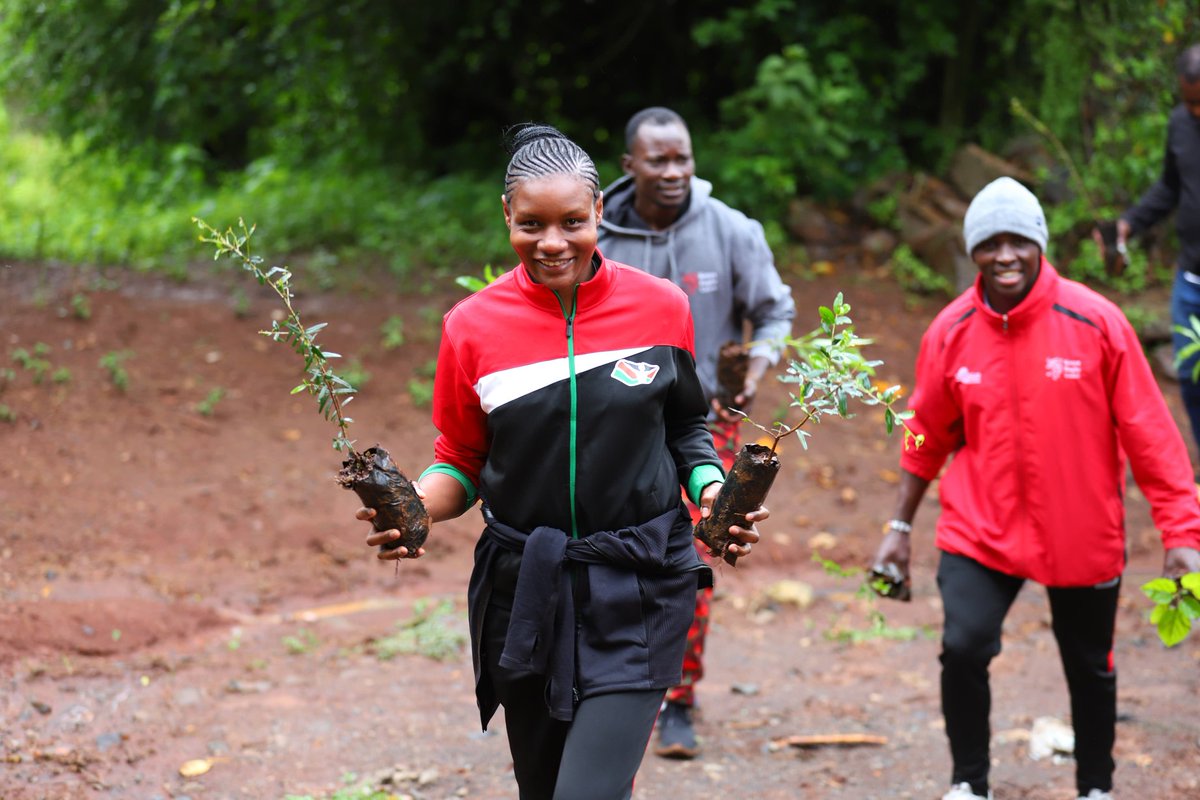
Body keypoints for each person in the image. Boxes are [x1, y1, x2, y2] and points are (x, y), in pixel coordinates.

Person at [357, 123, 765, 800]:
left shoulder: (661, 307)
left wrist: (716, 490)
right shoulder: (472, 327)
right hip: (528, 590)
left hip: (639, 580)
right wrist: (415, 509)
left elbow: (686, 427)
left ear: (601, 212)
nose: (552, 243)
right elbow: (459, 458)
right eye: (531, 225)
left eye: (573, 222)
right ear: (506, 217)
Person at [871, 177, 1200, 800]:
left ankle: (1095, 788)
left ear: (1040, 244)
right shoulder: (950, 330)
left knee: (1089, 666)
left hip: (1079, 529)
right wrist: (899, 528)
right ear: (972, 251)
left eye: (1017, 241)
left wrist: (1182, 533)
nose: (1004, 256)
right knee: (963, 647)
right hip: (981, 524)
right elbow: (923, 435)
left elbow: (1152, 438)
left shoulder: (1096, 321)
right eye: (989, 243)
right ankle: (970, 784)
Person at [597, 106, 795, 759]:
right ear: (631, 166)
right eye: (659, 160)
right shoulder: (597, 238)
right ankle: (610, 685)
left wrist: (754, 368)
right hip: (616, 429)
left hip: (709, 428)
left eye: (683, 157)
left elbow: (773, 312)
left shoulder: (733, 231)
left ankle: (678, 699)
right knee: (612, 556)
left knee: (692, 560)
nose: (675, 171)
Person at [1097, 43, 1200, 464]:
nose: (1195, 111)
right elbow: (1171, 188)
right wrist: (1129, 224)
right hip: (1191, 279)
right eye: (1189, 101)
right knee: (1190, 379)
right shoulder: (1180, 124)